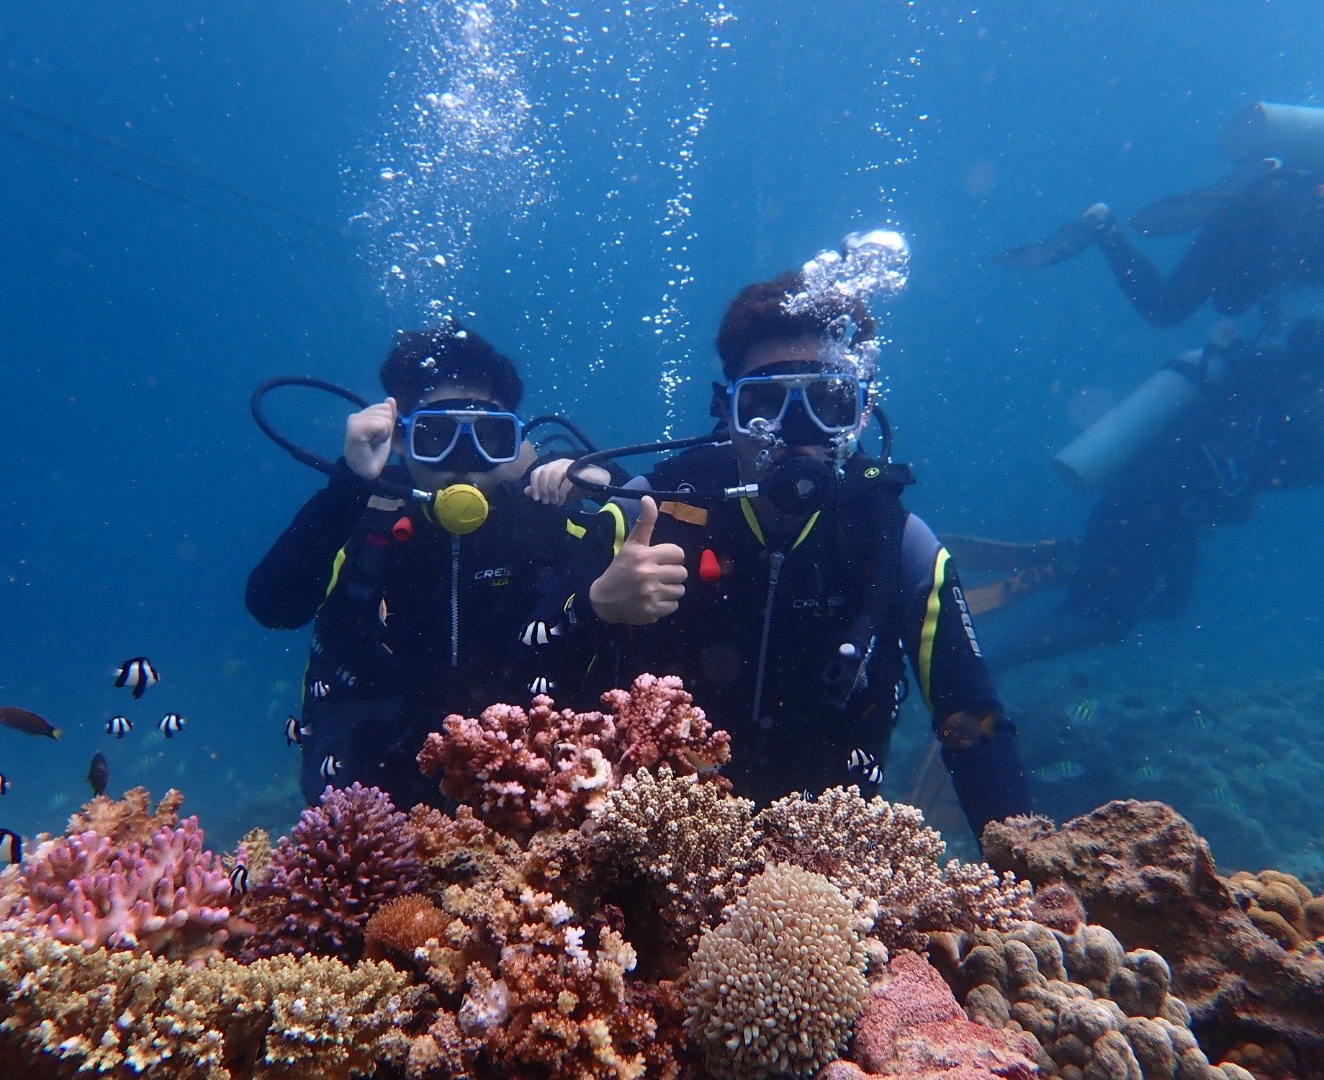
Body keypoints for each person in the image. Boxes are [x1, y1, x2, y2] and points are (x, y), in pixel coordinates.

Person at [550, 268, 1032, 842]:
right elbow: (522, 667)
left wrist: (1029, 869)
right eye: (766, 402)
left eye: (829, 402)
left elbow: (971, 721)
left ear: (861, 414)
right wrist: (594, 607)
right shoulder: (647, 513)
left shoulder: (899, 543)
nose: (797, 429)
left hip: (826, 859)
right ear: (725, 410)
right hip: (638, 844)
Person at [246, 320, 611, 805]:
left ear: (517, 445)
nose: (463, 460)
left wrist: (607, 478)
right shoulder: (358, 516)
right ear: (399, 439)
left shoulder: (545, 520)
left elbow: (633, 570)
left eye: (490, 437)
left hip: (528, 805)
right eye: (436, 435)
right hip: (372, 812)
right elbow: (274, 606)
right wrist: (348, 484)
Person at [980, 319, 1324, 672]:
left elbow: (1238, 479)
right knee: (1102, 621)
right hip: (1149, 517)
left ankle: (1075, 562)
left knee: (1135, 611)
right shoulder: (1263, 405)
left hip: (1147, 513)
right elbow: (1240, 487)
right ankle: (974, 674)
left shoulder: (1254, 385)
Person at [994, 156, 1324, 331]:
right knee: (1217, 305)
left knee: (1168, 309)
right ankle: (1107, 232)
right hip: (1268, 227)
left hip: (1245, 212)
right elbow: (1235, 301)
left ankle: (1105, 228)